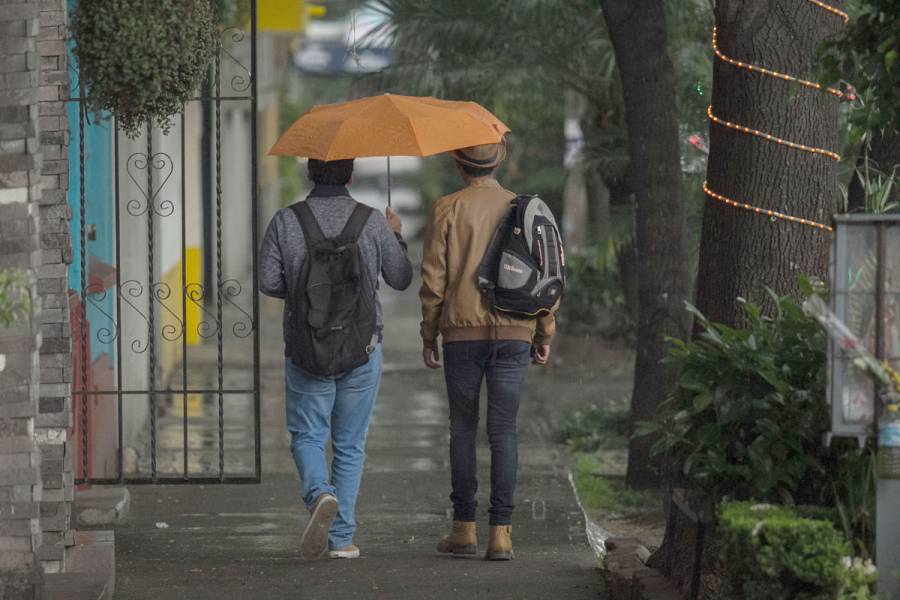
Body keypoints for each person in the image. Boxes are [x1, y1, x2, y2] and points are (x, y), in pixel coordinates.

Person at [260, 158, 412, 560]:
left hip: (306, 347)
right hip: (362, 348)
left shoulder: (285, 221)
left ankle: (318, 495)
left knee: (308, 434)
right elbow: (400, 278)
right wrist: (395, 236)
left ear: (310, 174)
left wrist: (308, 294)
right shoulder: (372, 221)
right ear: (350, 176)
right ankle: (341, 540)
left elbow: (268, 282)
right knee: (349, 444)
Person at [419, 142, 558, 561]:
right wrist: (544, 334)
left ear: (458, 165)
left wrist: (429, 334)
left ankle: (463, 529)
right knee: (503, 431)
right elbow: (547, 274)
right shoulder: (524, 208)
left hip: (461, 335)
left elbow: (433, 280)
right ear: (500, 162)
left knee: (462, 429)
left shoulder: (447, 207)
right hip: (516, 331)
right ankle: (502, 533)